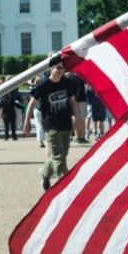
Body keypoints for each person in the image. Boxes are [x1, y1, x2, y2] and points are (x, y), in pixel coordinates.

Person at [23, 63, 79, 191]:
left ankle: (44, 173)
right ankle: (66, 188)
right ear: (51, 69)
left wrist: (78, 118)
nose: (61, 70)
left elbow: (72, 101)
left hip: (66, 125)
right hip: (51, 126)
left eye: (63, 68)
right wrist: (27, 122)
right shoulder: (44, 85)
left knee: (61, 155)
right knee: (59, 159)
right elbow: (32, 103)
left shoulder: (67, 82)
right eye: (58, 68)